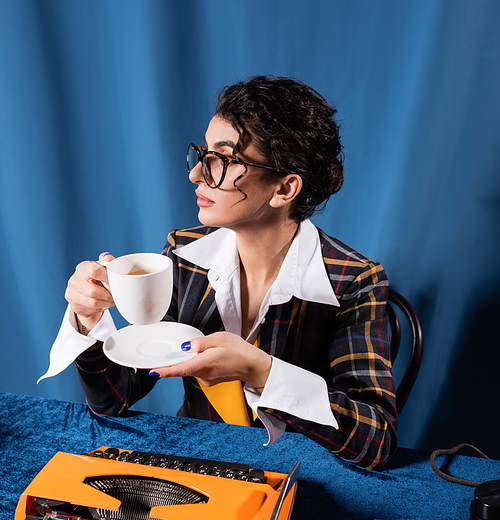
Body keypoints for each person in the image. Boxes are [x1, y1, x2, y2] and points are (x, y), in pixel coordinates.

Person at [46, 75, 398, 470]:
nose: (197, 174)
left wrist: (261, 371)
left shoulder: (353, 279)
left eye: (224, 160)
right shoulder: (182, 255)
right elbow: (113, 397)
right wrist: (88, 318)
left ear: (284, 189)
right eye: (203, 153)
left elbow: (376, 441)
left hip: (303, 476)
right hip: (196, 462)